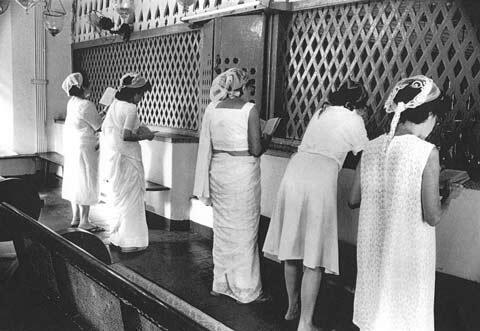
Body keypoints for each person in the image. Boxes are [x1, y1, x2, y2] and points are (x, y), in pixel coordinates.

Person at [348, 75, 463, 331]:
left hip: (374, 249)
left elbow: (353, 198)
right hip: (408, 253)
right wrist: (449, 198)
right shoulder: (426, 152)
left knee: (376, 313)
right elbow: (432, 216)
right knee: (405, 316)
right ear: (430, 115)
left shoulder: (372, 147)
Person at [262, 80, 369, 331]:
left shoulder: (320, 113)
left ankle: (292, 308)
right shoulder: (355, 120)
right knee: (314, 257)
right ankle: (306, 323)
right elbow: (364, 152)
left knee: (291, 247)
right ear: (355, 103)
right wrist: (360, 120)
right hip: (320, 176)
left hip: (295, 171)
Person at [193, 68, 272, 304]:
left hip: (219, 170)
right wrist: (268, 136)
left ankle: (221, 284)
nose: (251, 92)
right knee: (245, 230)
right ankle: (245, 289)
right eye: (249, 87)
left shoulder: (212, 109)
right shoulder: (249, 110)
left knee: (224, 227)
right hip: (242, 174)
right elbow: (256, 149)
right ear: (243, 88)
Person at [100, 73, 155, 253]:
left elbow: (118, 128)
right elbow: (127, 135)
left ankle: (117, 238)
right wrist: (146, 136)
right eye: (141, 94)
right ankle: (130, 243)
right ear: (135, 93)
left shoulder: (115, 104)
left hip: (116, 158)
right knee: (132, 200)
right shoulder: (131, 108)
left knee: (120, 199)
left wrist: (143, 129)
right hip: (129, 158)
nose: (142, 98)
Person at [61, 72, 104, 232]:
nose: (90, 86)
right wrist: (104, 115)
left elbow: (84, 120)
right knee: (86, 180)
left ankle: (76, 217)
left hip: (73, 146)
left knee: (75, 180)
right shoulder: (87, 105)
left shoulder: (72, 102)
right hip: (85, 147)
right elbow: (99, 127)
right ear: (82, 87)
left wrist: (99, 115)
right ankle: (85, 221)